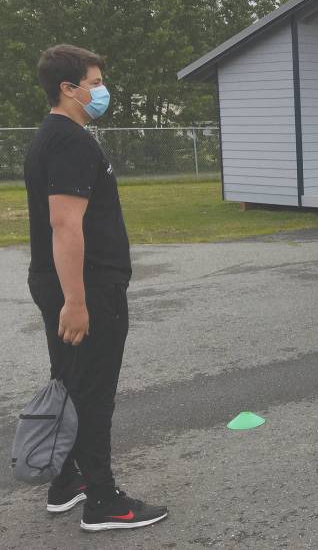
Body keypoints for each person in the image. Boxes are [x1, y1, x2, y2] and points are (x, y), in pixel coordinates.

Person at [24, 45, 168, 531]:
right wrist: (77, 302)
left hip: (70, 287)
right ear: (69, 88)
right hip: (86, 291)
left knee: (72, 383)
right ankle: (104, 501)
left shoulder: (55, 136)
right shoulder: (69, 141)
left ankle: (65, 483)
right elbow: (66, 226)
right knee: (94, 393)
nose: (101, 89)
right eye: (95, 80)